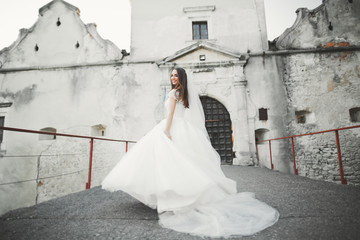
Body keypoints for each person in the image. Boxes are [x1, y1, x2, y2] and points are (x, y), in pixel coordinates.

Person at [101, 67, 279, 238]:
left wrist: (167, 131)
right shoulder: (182, 94)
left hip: (171, 127)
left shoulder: (173, 94)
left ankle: (171, 196)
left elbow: (170, 114)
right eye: (171, 75)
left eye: (176, 76)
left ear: (181, 78)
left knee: (167, 162)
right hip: (184, 128)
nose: (172, 78)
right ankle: (177, 194)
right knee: (181, 162)